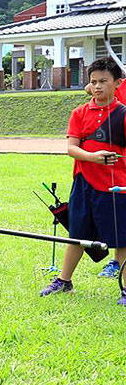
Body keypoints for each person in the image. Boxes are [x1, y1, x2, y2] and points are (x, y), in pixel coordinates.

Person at [41, 57, 126, 306]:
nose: (97, 86)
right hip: (84, 181)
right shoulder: (79, 113)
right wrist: (93, 158)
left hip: (116, 184)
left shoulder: (123, 114)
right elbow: (71, 148)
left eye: (103, 81)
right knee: (77, 233)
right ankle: (64, 281)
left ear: (118, 83)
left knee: (122, 238)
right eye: (93, 82)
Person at [85, 79, 125, 278]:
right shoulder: (120, 84)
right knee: (120, 221)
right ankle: (116, 263)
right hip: (116, 165)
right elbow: (88, 88)